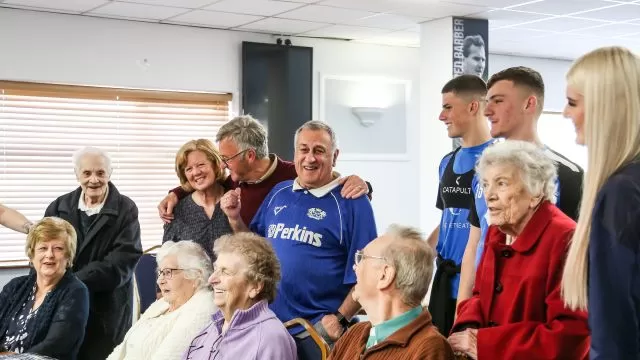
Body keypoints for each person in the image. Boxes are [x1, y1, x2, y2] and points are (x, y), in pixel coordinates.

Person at [221, 120, 378, 346]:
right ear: (295, 154)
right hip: (268, 326)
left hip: (317, 332)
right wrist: (235, 218)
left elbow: (368, 272)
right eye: (304, 150)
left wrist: (340, 319)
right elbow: (252, 250)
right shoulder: (279, 192)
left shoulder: (353, 202)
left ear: (334, 156)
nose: (310, 158)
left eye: (319, 151)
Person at [449, 140, 589, 359]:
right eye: (485, 184)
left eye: (501, 183)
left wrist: (486, 345)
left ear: (535, 193)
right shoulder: (498, 231)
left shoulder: (566, 238)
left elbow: (571, 334)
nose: (489, 195)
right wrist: (466, 329)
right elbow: (480, 294)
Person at [457, 66, 584, 304]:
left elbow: (570, 257)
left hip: (528, 305)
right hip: (482, 302)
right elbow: (474, 245)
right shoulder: (482, 171)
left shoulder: (567, 174)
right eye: (487, 102)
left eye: (497, 101)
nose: (487, 111)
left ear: (529, 104)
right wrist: (461, 315)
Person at [561, 46, 640, 359]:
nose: (566, 113)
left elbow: (616, 331)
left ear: (605, 107)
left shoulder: (621, 193)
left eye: (572, 103)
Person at [157, 115, 370, 226]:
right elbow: (204, 180)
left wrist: (365, 185)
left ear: (249, 156)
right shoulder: (232, 181)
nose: (222, 165)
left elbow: (332, 182)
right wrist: (175, 194)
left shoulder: (294, 175)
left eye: (226, 159)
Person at [44, 146, 142, 360]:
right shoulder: (58, 207)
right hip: (63, 307)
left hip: (107, 309)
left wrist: (73, 282)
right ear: (77, 174)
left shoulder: (126, 208)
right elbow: (44, 253)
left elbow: (122, 262)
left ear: (110, 173)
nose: (94, 180)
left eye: (100, 173)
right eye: (87, 173)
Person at [426, 75, 492, 335]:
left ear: (473, 107)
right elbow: (447, 222)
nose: (442, 116)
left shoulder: (497, 161)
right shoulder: (446, 162)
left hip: (477, 288)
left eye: (448, 107)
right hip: (443, 283)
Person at [329, 224, 454, 360]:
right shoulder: (354, 334)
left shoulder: (430, 349)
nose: (355, 267)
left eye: (361, 258)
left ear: (385, 275)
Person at [183, 232, 296, 360]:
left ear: (255, 287)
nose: (212, 279)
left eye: (225, 272)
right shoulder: (214, 326)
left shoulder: (271, 340)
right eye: (215, 270)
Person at [107, 241, 216, 360]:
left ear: (195, 275)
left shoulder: (203, 307)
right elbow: (123, 348)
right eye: (160, 273)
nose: (159, 281)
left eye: (168, 272)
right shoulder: (162, 304)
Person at [0, 217, 89, 360]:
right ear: (32, 254)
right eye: (43, 248)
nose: (49, 255)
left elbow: (55, 346)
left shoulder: (75, 292)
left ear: (68, 256)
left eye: (58, 248)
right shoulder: (15, 286)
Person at [163, 139, 233, 260]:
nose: (196, 172)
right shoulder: (176, 210)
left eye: (201, 165)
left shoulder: (236, 201)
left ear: (216, 165)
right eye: (188, 169)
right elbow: (166, 261)